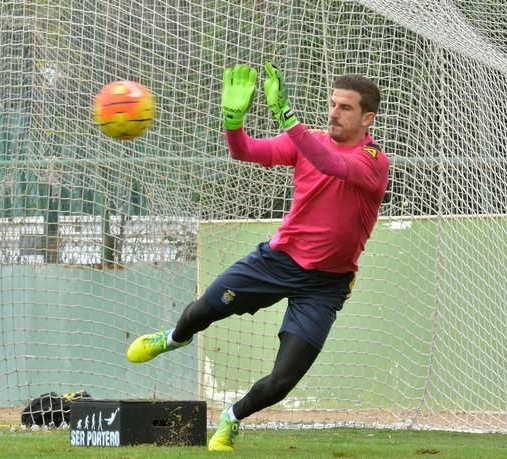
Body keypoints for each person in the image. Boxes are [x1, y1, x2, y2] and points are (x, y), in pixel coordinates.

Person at [126, 62, 389, 452]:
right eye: (332, 103)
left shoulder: (373, 161)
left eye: (345, 107)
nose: (333, 112)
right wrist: (233, 120)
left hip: (325, 285)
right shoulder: (307, 140)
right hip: (276, 261)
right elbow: (244, 151)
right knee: (200, 313)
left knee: (282, 381)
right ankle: (173, 338)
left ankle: (231, 417)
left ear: (367, 118)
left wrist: (287, 116)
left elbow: (330, 163)